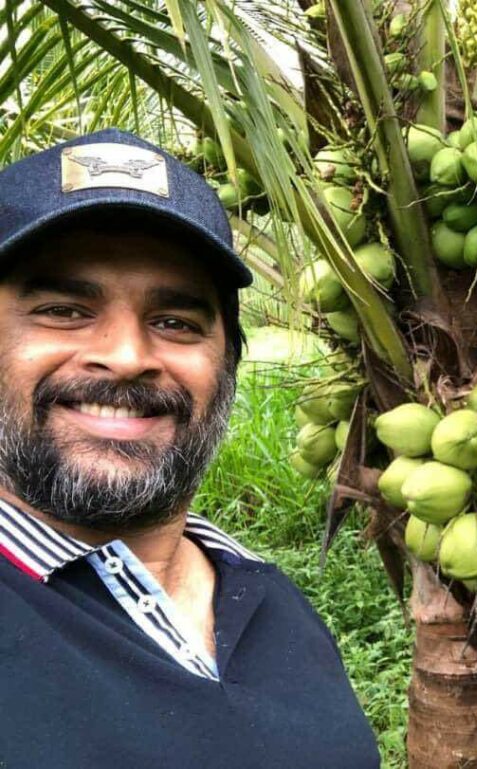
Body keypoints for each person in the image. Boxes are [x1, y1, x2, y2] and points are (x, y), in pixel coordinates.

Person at [0, 129, 380, 767]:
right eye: (63, 309)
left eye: (175, 323)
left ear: (227, 363)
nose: (126, 357)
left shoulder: (269, 600)